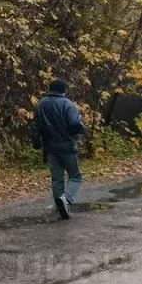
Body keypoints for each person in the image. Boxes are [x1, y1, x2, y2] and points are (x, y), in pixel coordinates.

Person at [32, 80, 88, 220]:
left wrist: (36, 143)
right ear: (64, 90)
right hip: (67, 146)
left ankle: (60, 207)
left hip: (50, 147)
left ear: (50, 89)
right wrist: (80, 130)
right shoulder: (67, 104)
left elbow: (35, 126)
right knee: (75, 176)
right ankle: (67, 200)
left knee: (57, 178)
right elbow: (75, 124)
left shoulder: (41, 104)